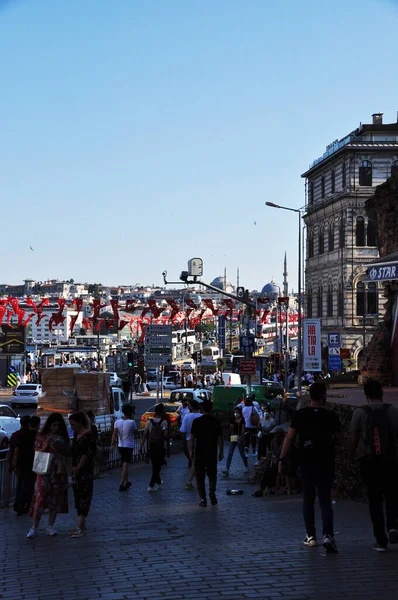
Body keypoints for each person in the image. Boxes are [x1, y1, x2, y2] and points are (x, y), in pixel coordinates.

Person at [278, 381, 343, 553]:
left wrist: (282, 458)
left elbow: (289, 438)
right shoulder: (331, 416)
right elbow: (339, 439)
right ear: (324, 396)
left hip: (306, 461)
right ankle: (328, 535)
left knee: (308, 499)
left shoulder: (300, 415)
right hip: (326, 462)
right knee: (324, 500)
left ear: (310, 396)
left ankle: (311, 536)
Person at [348, 379, 398, 552]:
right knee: (392, 496)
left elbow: (354, 439)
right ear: (382, 392)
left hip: (369, 461)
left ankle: (381, 540)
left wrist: (351, 455)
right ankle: (393, 527)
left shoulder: (360, 413)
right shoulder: (393, 411)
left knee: (375, 500)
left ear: (366, 394)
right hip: (391, 460)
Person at [27, 413, 70, 539]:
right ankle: (34, 526)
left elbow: (68, 452)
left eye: (58, 425)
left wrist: (59, 446)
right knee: (40, 497)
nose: (56, 428)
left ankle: (50, 526)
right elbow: (37, 451)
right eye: (54, 425)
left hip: (58, 471)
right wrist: (47, 445)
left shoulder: (63, 437)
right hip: (44, 470)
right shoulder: (41, 436)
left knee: (55, 498)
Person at [190, 399, 223, 507]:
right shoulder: (216, 421)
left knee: (200, 478)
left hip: (199, 453)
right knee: (212, 475)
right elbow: (220, 439)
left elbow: (192, 439)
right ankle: (212, 493)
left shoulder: (197, 421)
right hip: (212, 453)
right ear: (211, 409)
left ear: (202, 409)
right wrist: (221, 452)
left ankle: (203, 499)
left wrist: (191, 453)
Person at [69, 411, 94, 538]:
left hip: (85, 471)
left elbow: (87, 453)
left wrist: (78, 467)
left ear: (80, 423)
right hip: (76, 471)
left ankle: (80, 527)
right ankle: (82, 526)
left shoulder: (88, 435)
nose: (72, 427)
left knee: (84, 497)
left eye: (73, 425)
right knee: (78, 497)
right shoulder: (76, 435)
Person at [13, 416, 40, 515]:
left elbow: (17, 450)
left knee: (20, 484)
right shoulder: (37, 436)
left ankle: (19, 504)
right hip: (31, 463)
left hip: (21, 463)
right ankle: (26, 505)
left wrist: (15, 464)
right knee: (29, 485)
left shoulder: (20, 435)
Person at [140, 403, 168, 492]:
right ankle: (151, 485)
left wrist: (141, 446)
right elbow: (165, 434)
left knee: (155, 465)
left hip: (151, 446)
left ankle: (159, 482)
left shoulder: (149, 422)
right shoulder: (164, 422)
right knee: (158, 466)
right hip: (160, 446)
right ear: (162, 412)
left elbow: (145, 435)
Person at [111, 404, 137, 491]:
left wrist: (112, 443)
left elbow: (114, 433)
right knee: (126, 465)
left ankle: (126, 481)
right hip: (128, 446)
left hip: (120, 445)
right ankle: (122, 484)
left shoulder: (117, 422)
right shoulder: (132, 422)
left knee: (124, 464)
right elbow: (135, 431)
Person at [180, 400, 202, 487]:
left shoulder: (187, 417)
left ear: (191, 407)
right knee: (196, 462)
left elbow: (183, 430)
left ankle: (189, 481)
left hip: (190, 441)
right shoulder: (202, 416)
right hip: (201, 441)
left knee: (194, 461)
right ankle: (195, 480)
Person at [222, 406, 248, 476]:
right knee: (230, 453)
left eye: (237, 412)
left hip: (240, 437)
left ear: (240, 413)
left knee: (242, 453)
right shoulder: (232, 419)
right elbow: (231, 429)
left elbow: (243, 431)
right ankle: (227, 469)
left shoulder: (242, 420)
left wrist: (240, 438)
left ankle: (246, 466)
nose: (236, 414)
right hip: (234, 436)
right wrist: (231, 430)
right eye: (235, 412)